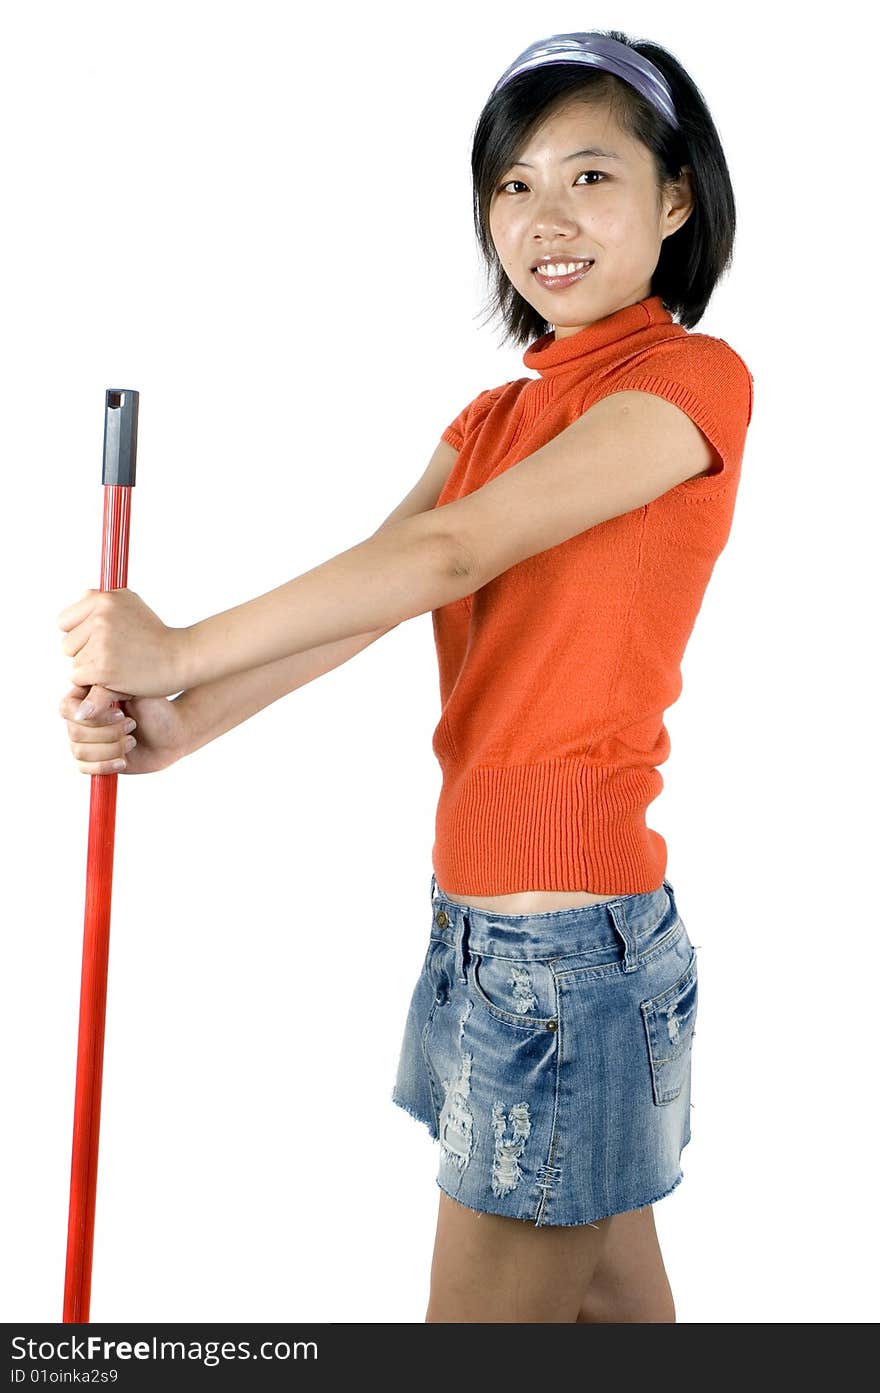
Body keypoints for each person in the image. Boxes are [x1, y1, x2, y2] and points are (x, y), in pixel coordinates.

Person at [57, 30, 754, 1322]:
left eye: (591, 176)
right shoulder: (494, 417)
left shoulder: (683, 383)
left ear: (675, 198)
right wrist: (182, 718)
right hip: (486, 927)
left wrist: (179, 643)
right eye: (512, 183)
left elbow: (453, 550)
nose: (545, 217)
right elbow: (377, 588)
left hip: (560, 948)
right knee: (611, 1313)